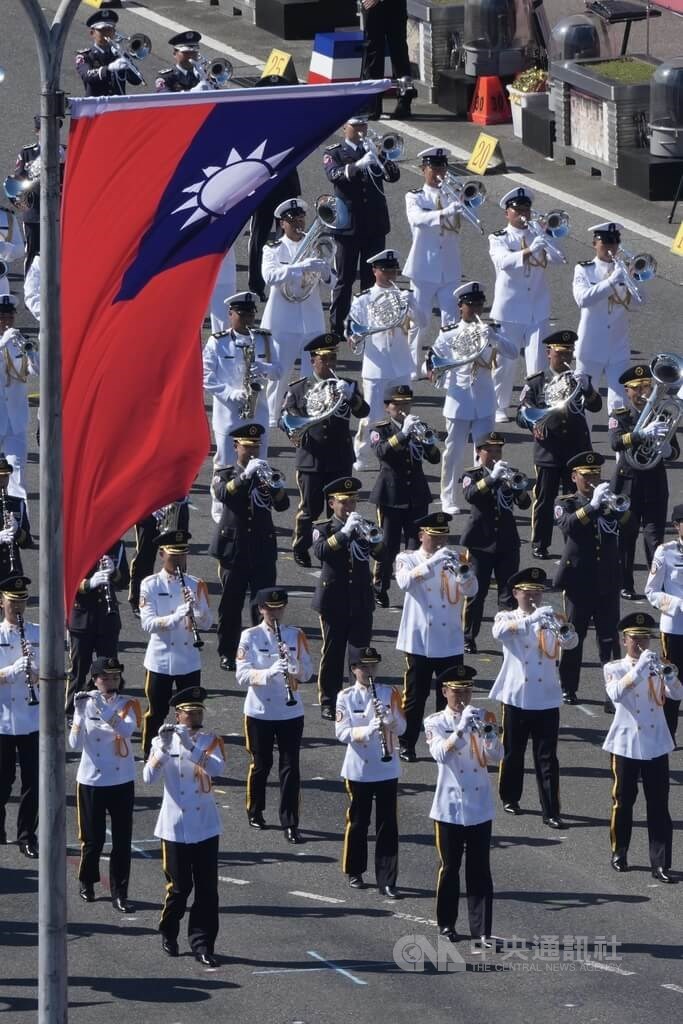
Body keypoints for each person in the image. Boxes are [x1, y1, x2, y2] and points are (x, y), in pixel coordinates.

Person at [143, 686, 225, 965]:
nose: (195, 717)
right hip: (175, 826)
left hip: (205, 825)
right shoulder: (161, 741)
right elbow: (148, 777)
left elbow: (216, 769)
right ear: (178, 715)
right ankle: (168, 930)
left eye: (198, 712)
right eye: (190, 713)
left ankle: (202, 944)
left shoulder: (210, 740)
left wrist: (191, 746)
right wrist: (164, 750)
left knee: (207, 890)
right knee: (179, 889)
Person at [491, 568, 578, 828]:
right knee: (513, 752)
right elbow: (501, 633)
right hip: (518, 696)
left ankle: (551, 810)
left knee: (547, 756)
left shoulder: (551, 618)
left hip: (547, 697)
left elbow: (571, 644)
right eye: (529, 593)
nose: (534, 598)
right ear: (516, 593)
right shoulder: (506, 617)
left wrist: (565, 631)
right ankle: (510, 797)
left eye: (539, 593)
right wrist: (531, 619)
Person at [425, 665, 501, 945]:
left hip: (479, 805)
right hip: (449, 807)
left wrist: (489, 735)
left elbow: (498, 755)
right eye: (457, 692)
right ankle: (447, 924)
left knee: (480, 869)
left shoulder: (484, 716)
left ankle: (482, 929)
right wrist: (460, 730)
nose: (463, 697)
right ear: (445, 692)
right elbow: (440, 755)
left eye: (467, 691)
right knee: (449, 868)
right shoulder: (434, 721)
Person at [603, 613, 682, 882]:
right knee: (623, 802)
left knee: (659, 804)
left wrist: (668, 675)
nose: (640, 644)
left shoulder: (659, 665)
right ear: (624, 640)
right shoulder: (614, 667)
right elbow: (615, 695)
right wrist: (639, 670)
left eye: (644, 638)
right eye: (634, 639)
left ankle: (660, 863)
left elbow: (677, 694)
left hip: (655, 744)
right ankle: (619, 851)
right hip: (625, 743)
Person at [426, 282, 516, 514]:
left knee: (486, 453)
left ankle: (483, 497)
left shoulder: (491, 330)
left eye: (479, 305)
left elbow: (513, 352)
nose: (476, 310)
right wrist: (444, 381)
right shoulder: (449, 333)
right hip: (459, 399)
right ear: (460, 307)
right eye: (470, 305)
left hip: (485, 401)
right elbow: (433, 362)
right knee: (454, 452)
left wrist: (495, 337)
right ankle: (448, 497)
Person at [395, 512, 478, 761]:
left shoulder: (455, 559)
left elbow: (472, 590)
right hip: (419, 640)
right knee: (415, 697)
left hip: (449, 640)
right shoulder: (408, 558)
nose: (440, 541)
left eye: (443, 536)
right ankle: (407, 742)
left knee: (451, 696)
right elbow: (405, 583)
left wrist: (463, 573)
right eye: (434, 536)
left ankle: (448, 742)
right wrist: (433, 563)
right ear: (422, 536)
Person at [282, 334, 368, 568]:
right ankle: (301, 546)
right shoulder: (299, 389)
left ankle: (335, 546)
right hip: (312, 458)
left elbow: (363, 411)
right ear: (313, 361)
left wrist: (352, 397)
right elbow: (286, 419)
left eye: (333, 358)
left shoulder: (347, 385)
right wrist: (296, 431)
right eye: (325, 359)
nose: (330, 364)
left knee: (340, 507)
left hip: (339, 457)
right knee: (310, 508)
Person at [209, 423, 289, 672]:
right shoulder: (225, 473)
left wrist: (274, 489)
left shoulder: (268, 472)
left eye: (256, 446)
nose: (253, 451)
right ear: (236, 447)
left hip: (262, 548)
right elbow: (224, 494)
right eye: (248, 446)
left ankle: (261, 652)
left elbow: (283, 505)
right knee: (231, 604)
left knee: (263, 604)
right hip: (234, 550)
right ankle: (228, 651)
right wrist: (245, 476)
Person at [516, 330, 602, 558]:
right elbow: (521, 413)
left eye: (569, 353)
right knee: (545, 499)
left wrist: (588, 389)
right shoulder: (537, 382)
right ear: (549, 353)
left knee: (576, 498)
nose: (566, 358)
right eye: (561, 353)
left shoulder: (578, 378)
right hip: (549, 450)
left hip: (576, 449)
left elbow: (595, 407)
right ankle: (540, 543)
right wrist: (533, 423)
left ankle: (575, 543)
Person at [236, 588, 313, 841]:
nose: (275, 613)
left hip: (290, 711)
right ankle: (255, 809)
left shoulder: (295, 635)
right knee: (261, 764)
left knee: (291, 767)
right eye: (270, 609)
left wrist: (293, 663)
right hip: (260, 711)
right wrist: (269, 671)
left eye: (280, 608)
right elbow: (242, 675)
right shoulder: (250, 636)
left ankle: (290, 821)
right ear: (261, 609)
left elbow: (308, 674)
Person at [554, 452, 627, 706]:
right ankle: (568, 687)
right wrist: (593, 505)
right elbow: (569, 527)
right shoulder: (566, 502)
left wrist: (611, 505)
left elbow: (627, 523)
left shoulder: (609, 503)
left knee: (609, 640)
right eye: (586, 475)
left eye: (595, 474)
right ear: (574, 477)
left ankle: (612, 692)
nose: (592, 479)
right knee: (574, 637)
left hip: (607, 579)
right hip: (578, 581)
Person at [69, 657, 140, 913]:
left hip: (121, 780)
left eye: (114, 678)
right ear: (94, 679)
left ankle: (120, 892)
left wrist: (103, 708)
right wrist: (78, 714)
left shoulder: (127, 704)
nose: (110, 682)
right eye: (105, 678)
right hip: (91, 780)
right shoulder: (86, 703)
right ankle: (87, 880)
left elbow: (126, 731)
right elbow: (74, 744)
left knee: (122, 841)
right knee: (93, 839)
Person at [489, 187, 565, 422]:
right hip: (509, 310)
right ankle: (499, 406)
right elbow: (504, 262)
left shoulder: (538, 234)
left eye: (526, 210)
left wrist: (548, 239)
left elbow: (560, 260)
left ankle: (534, 406)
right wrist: (531, 249)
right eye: (518, 210)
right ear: (507, 213)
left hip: (537, 309)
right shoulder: (499, 237)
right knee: (505, 363)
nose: (523, 214)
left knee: (538, 364)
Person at [335, 646, 406, 895]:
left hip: (386, 767)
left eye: (372, 666)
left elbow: (403, 728)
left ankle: (387, 878)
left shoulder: (390, 693)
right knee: (358, 822)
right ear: (354, 669)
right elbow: (342, 732)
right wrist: (367, 729)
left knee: (388, 824)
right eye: (363, 666)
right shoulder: (345, 697)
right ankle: (355, 870)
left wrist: (389, 720)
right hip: (359, 769)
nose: (369, 671)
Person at [348, 249, 426, 468]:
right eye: (385, 270)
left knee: (401, 413)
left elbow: (423, 322)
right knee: (371, 415)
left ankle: (401, 451)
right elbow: (352, 329)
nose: (391, 274)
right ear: (375, 271)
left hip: (400, 365)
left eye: (393, 270)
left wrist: (412, 304)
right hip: (376, 365)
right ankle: (362, 455)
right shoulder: (364, 299)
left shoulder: (403, 296)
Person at [261, 198, 335, 425]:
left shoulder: (318, 245)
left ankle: (309, 413)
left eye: (301, 219)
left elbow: (333, 283)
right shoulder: (273, 248)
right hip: (282, 320)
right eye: (292, 220)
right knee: (279, 373)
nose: (298, 224)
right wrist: (297, 268)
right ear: (282, 224)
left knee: (311, 372)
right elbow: (270, 276)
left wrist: (324, 272)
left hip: (311, 320)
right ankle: (272, 418)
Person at [312, 477, 382, 720]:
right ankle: (329, 700)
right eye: (344, 502)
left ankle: (359, 699)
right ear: (332, 504)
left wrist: (374, 537)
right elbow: (321, 552)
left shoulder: (365, 525)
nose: (350, 506)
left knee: (360, 653)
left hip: (361, 599)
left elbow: (381, 554)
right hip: (334, 600)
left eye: (353, 501)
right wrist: (344, 533)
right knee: (333, 652)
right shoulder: (323, 528)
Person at [609, 363, 679, 601]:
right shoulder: (620, 416)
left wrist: (667, 448)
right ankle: (625, 583)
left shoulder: (664, 414)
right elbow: (615, 443)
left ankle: (656, 588)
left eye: (646, 387)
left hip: (655, 483)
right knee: (626, 537)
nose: (642, 393)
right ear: (627, 391)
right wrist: (641, 434)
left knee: (655, 539)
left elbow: (675, 453)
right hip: (627, 484)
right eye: (636, 389)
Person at [139, 529, 212, 759]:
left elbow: (208, 623)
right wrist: (177, 615)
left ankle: (187, 755)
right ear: (162, 554)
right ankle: (150, 755)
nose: (179, 561)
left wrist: (197, 610)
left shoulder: (195, 584)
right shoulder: (150, 584)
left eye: (182, 556)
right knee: (156, 712)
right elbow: (148, 623)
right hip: (160, 660)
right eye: (174, 556)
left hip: (188, 659)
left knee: (189, 712)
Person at [324, 117, 400, 336]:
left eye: (363, 126)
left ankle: (368, 323)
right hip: (348, 225)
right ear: (344, 127)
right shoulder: (334, 152)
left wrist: (380, 158)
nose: (360, 130)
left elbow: (394, 176)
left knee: (371, 277)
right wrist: (358, 165)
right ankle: (338, 327)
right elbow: (334, 175)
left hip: (375, 224)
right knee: (345, 278)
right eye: (355, 126)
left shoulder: (375, 150)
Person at [369, 384, 440, 607]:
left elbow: (435, 458)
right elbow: (381, 452)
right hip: (390, 495)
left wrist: (427, 442)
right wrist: (403, 434)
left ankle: (416, 588)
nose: (402, 409)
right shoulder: (380, 429)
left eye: (406, 404)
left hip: (417, 495)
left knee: (417, 547)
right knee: (388, 546)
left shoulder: (419, 427)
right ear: (388, 407)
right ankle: (380, 586)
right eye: (397, 405)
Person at [460, 431, 530, 654]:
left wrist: (518, 488)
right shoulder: (473, 474)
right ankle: (468, 636)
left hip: (507, 542)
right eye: (489, 450)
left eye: (498, 450)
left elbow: (525, 504)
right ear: (479, 452)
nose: (494, 455)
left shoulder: (510, 474)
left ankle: (508, 636)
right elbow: (470, 495)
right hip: (481, 543)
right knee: (476, 594)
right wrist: (491, 479)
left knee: (508, 593)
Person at [574, 223, 647, 416]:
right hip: (590, 347)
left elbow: (641, 301)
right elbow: (582, 299)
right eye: (606, 242)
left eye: (615, 242)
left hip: (618, 347)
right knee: (585, 404)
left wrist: (634, 279)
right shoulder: (584, 270)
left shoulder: (624, 270)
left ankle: (619, 446)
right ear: (594, 244)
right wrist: (611, 282)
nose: (611, 247)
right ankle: (584, 446)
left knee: (620, 403)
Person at [202, 291, 279, 468]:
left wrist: (264, 368)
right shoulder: (218, 342)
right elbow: (205, 376)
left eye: (251, 315)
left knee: (258, 464)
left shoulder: (264, 339)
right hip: (228, 413)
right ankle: (220, 497)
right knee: (225, 464)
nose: (248, 320)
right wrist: (230, 393)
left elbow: (279, 372)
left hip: (257, 411)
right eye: (242, 315)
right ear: (230, 314)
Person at [403, 147, 461, 367]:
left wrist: (461, 201)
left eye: (442, 168)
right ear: (423, 169)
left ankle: (447, 365)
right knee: (420, 321)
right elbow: (417, 219)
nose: (439, 173)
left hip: (450, 267)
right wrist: (444, 212)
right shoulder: (415, 196)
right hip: (423, 267)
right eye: (434, 168)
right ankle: (411, 366)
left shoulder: (452, 194)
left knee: (452, 321)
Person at [247, 74, 302, 300]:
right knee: (259, 235)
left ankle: (284, 280)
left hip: (286, 183)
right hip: (262, 184)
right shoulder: (254, 120)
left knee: (286, 235)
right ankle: (256, 284)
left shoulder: (291, 119)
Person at [0, 574, 39, 856]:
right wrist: (15, 669)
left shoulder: (37, 633)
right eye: (13, 601)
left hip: (31, 718)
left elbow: (51, 673)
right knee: (2, 781)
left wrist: (36, 672)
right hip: (2, 720)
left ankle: (27, 834)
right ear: (2, 601)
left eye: (22, 601)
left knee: (32, 782)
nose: (18, 607)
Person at [65, 541, 128, 715]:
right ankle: (73, 711)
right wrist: (88, 584)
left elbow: (124, 580)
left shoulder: (116, 545)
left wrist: (114, 572)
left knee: (110, 670)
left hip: (107, 619)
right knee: (79, 669)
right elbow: (67, 579)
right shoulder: (77, 543)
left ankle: (110, 711)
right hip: (82, 618)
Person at [645, 503, 683, 741]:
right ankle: (667, 735)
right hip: (676, 628)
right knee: (673, 682)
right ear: (676, 526)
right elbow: (651, 591)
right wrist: (679, 604)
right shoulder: (665, 552)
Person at [0, 294, 39, 490]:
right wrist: (2, 344)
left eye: (10, 317)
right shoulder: (5, 342)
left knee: (18, 478)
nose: (7, 322)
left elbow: (37, 371)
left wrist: (32, 354)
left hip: (15, 423)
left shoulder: (17, 342)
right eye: (2, 317)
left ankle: (16, 520)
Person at [129, 498, 191, 617]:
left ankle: (179, 600)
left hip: (177, 504)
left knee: (177, 556)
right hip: (151, 505)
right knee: (144, 556)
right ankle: (140, 599)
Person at [360, 0, 416, 118]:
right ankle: (373, 103)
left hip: (393, 5)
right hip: (372, 7)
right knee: (373, 52)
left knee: (398, 51)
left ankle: (404, 101)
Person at [76, 9, 145, 97]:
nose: (107, 33)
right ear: (92, 33)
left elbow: (136, 81)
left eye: (110, 29)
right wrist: (109, 68)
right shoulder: (85, 56)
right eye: (102, 30)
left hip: (118, 106)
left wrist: (128, 66)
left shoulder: (119, 54)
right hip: (96, 106)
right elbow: (87, 76)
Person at [0, 453, 32, 581]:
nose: (2, 481)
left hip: (11, 571)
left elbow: (27, 543)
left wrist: (17, 531)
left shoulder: (17, 504)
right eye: (0, 477)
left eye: (5, 477)